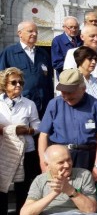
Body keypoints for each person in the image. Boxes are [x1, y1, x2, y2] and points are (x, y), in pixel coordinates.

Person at [38, 69, 97, 185]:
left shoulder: (96, 106)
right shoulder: (54, 104)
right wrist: (43, 162)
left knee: (84, 195)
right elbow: (43, 136)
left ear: (83, 88)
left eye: (70, 92)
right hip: (59, 157)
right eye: (63, 92)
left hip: (86, 156)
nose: (65, 96)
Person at [0, 67, 40, 214]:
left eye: (21, 82)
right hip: (3, 150)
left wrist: (27, 130)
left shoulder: (29, 104)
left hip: (25, 151)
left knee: (22, 188)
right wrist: (9, 130)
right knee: (2, 187)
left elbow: (37, 125)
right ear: (5, 85)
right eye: (14, 82)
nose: (18, 85)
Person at [20, 145, 97, 215]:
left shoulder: (83, 175)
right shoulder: (40, 180)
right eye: (61, 162)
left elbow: (91, 210)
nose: (67, 165)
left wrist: (69, 190)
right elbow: (25, 213)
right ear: (47, 165)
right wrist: (55, 192)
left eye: (68, 160)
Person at [0, 21, 54, 118]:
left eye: (36, 32)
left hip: (43, 105)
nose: (34, 34)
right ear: (19, 33)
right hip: (19, 106)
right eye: (30, 31)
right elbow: (1, 79)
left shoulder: (43, 54)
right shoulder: (9, 53)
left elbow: (49, 80)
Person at [63, 25, 97, 92]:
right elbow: (69, 76)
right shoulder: (72, 53)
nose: (96, 39)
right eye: (92, 36)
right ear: (82, 37)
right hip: (79, 95)